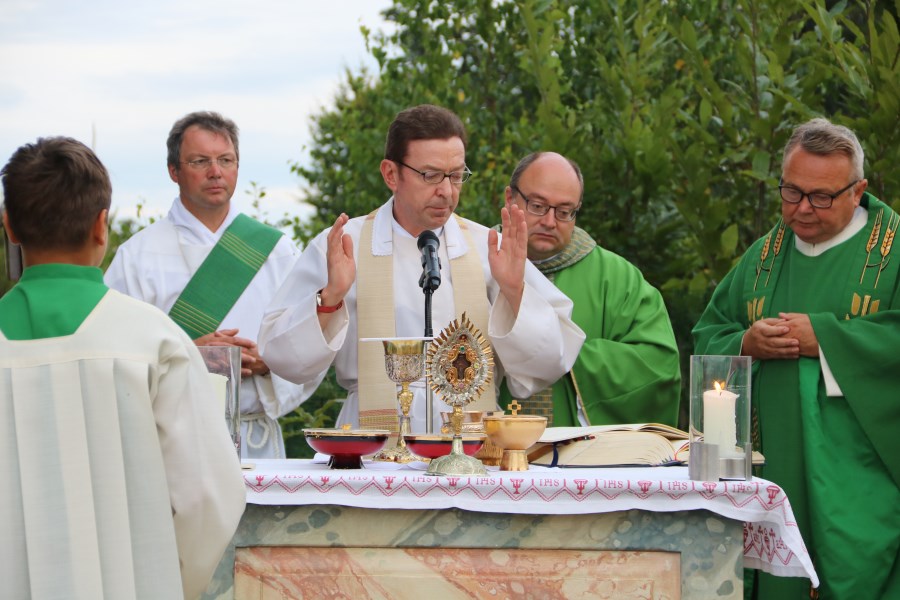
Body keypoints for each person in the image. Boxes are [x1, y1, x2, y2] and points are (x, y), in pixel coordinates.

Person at [0, 137, 245, 599]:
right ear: (100, 226)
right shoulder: (154, 341)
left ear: (9, 226)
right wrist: (166, 583)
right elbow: (209, 498)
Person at [259, 104, 585, 433]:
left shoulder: (488, 249)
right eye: (430, 175)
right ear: (391, 174)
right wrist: (330, 297)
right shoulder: (346, 246)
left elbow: (549, 362)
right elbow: (283, 357)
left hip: (471, 447)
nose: (446, 190)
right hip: (373, 446)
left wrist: (515, 293)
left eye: (456, 176)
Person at [693, 118, 899, 599]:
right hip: (771, 465)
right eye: (792, 192)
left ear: (858, 190)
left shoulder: (891, 254)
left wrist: (828, 338)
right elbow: (709, 332)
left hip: (856, 478)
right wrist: (746, 342)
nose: (803, 208)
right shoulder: (764, 256)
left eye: (821, 196)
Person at [105, 111, 317, 459]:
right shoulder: (137, 256)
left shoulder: (276, 250)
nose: (215, 171)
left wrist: (273, 362)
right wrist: (188, 354)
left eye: (225, 160)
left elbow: (307, 344)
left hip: (255, 438)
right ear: (174, 171)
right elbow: (113, 355)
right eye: (200, 161)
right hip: (172, 441)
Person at [498, 152, 681, 427]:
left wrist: (559, 355)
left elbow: (659, 365)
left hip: (581, 458)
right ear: (510, 198)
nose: (549, 222)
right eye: (538, 206)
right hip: (486, 455)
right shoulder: (473, 263)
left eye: (564, 212)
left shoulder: (618, 278)